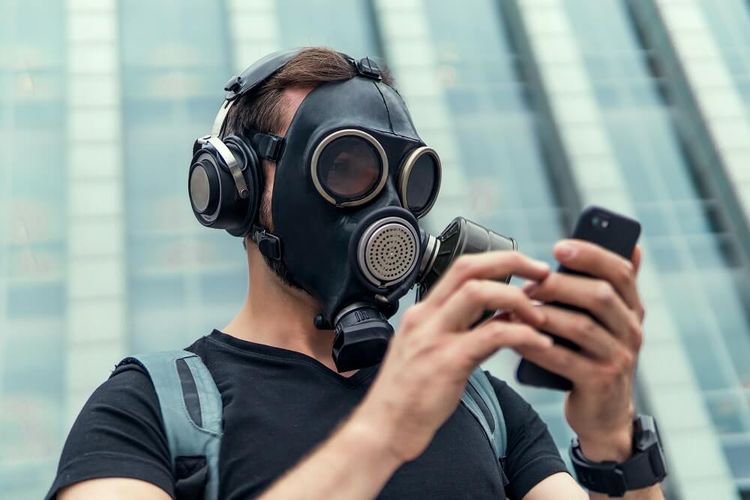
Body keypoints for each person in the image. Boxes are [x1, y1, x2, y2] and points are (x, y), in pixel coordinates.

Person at [48, 47, 665, 500]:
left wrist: (613, 439)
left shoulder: (480, 404)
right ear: (232, 185)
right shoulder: (149, 411)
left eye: (407, 181)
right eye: (344, 166)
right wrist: (381, 434)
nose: (386, 210)